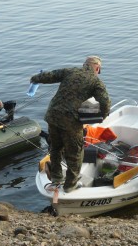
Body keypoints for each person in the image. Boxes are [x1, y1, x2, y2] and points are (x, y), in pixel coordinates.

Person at [30, 56, 111, 193]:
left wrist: (35, 78)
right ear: (97, 68)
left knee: (56, 148)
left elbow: (49, 76)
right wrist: (102, 115)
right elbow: (105, 102)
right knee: (75, 152)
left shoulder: (70, 71)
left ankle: (56, 180)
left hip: (53, 116)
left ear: (84, 64)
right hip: (70, 121)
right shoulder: (95, 81)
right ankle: (70, 185)